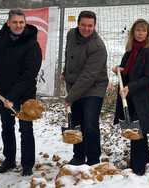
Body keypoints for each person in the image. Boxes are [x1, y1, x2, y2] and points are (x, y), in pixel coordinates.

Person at [0, 8, 42, 176]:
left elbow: (29, 75)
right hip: (3, 93)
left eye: (21, 22)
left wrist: (12, 97)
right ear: (8, 23)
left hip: (24, 96)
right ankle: (9, 160)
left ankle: (27, 165)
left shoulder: (32, 44)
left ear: (25, 23)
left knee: (26, 129)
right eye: (15, 22)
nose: (18, 25)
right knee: (7, 127)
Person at [112, 19, 149, 175]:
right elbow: (126, 70)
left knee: (137, 130)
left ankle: (137, 168)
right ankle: (144, 158)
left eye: (144, 31)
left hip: (141, 97)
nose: (141, 34)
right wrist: (118, 69)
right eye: (138, 30)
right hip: (128, 95)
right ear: (133, 33)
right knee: (136, 128)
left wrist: (130, 87)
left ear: (148, 33)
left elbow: (148, 78)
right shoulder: (129, 51)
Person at [60, 10, 108, 166]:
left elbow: (88, 77)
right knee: (77, 120)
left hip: (94, 87)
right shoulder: (71, 35)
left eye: (90, 26)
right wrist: (64, 73)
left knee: (89, 122)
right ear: (78, 24)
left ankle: (93, 160)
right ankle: (79, 156)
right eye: (83, 25)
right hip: (74, 85)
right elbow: (68, 56)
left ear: (94, 26)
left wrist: (69, 98)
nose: (86, 28)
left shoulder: (98, 46)